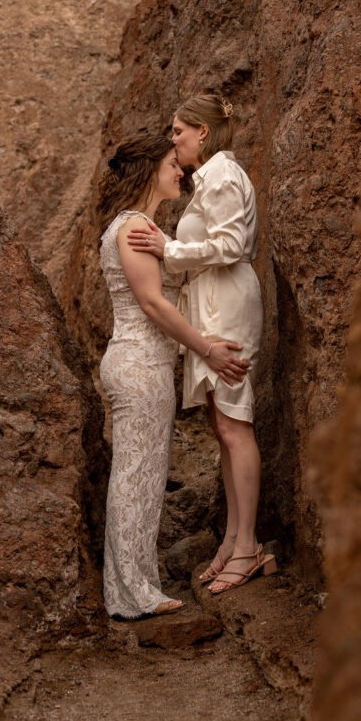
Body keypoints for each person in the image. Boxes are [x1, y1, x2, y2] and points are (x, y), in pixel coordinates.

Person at [127, 96, 276, 594]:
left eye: (178, 131)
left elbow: (233, 245)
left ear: (203, 133)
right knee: (222, 424)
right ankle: (235, 540)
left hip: (228, 304)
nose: (174, 140)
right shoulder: (210, 178)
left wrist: (169, 249)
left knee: (236, 424)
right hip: (211, 301)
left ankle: (249, 546)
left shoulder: (225, 177)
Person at [98, 133, 249, 619]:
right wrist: (207, 348)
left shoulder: (138, 227)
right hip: (139, 363)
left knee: (141, 474)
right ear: (149, 172)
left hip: (144, 361)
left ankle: (131, 589)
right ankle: (132, 593)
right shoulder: (135, 227)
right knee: (135, 475)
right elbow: (152, 304)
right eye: (171, 164)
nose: (179, 171)